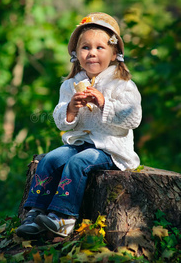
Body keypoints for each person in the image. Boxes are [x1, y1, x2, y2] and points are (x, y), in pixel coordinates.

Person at [16, 12, 142, 238]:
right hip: (80, 142)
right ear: (76, 54)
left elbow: (134, 118)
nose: (92, 52)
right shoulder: (71, 85)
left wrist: (104, 103)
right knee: (50, 159)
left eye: (100, 48)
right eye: (85, 47)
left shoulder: (123, 84)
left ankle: (63, 218)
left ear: (114, 54)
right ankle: (35, 212)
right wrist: (71, 109)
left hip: (109, 148)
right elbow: (59, 119)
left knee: (78, 162)